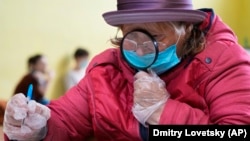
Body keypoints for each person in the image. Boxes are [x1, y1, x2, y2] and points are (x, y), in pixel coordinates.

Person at [3, 0, 250, 140]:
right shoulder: (106, 70)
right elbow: (66, 120)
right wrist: (39, 126)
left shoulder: (225, 61)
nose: (139, 51)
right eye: (130, 36)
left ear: (186, 27)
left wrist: (164, 114)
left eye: (153, 36)